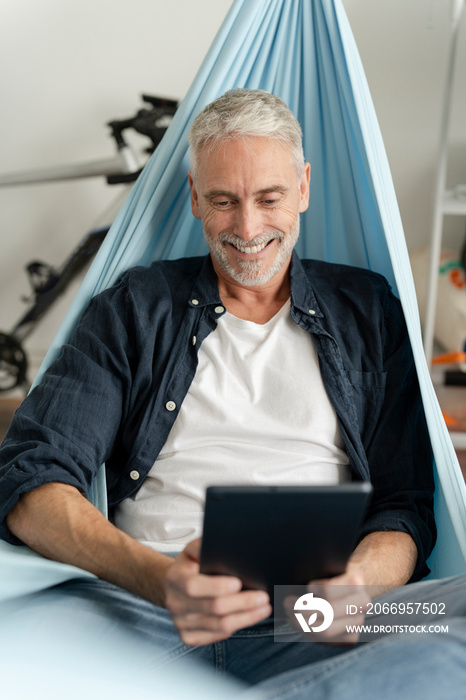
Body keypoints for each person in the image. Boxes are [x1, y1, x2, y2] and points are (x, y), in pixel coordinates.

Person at [0, 89, 443, 691]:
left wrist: (361, 584)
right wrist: (156, 579)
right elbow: (29, 478)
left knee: (447, 614)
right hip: (143, 608)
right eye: (224, 201)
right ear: (194, 199)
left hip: (318, 619)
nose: (248, 226)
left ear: (304, 188)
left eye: (270, 198)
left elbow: (404, 505)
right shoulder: (136, 308)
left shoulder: (368, 310)